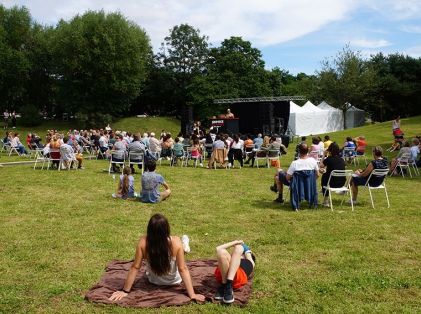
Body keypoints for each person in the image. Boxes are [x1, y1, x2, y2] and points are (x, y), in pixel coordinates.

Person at [108, 214, 205, 303]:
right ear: (167, 229)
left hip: (153, 281)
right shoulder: (176, 241)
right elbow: (182, 269)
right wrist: (192, 294)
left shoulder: (143, 242)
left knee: (180, 249)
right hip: (174, 281)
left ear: (149, 229)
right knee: (182, 248)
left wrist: (125, 291)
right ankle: (185, 244)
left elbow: (135, 267)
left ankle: (185, 246)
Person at [214, 240, 255, 304]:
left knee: (239, 247)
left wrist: (246, 250)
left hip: (237, 277)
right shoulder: (230, 259)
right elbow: (218, 249)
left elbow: (247, 253)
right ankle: (227, 286)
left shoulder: (250, 261)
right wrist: (235, 242)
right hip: (222, 275)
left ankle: (227, 284)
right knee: (221, 251)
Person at [319, 142, 346, 206]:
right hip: (341, 183)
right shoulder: (342, 160)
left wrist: (324, 155)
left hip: (331, 183)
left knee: (324, 176)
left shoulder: (329, 159)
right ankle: (325, 198)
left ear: (329, 150)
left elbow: (321, 165)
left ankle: (326, 201)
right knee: (326, 175)